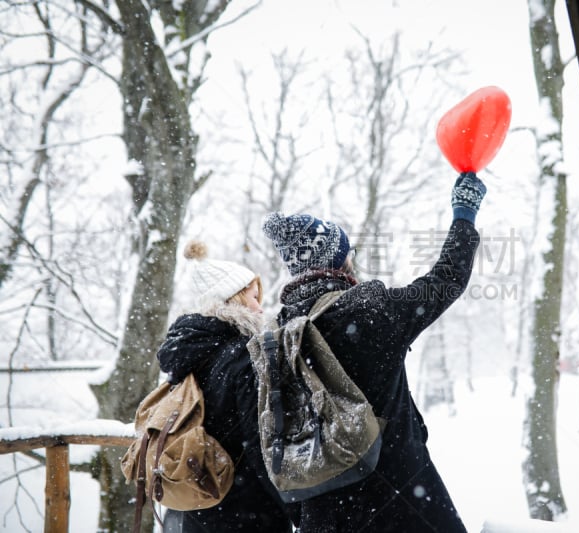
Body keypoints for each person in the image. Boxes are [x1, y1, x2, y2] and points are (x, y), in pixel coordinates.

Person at [261, 171, 486, 532]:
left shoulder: (281, 332)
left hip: (322, 504)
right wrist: (464, 215)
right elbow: (445, 280)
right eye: (347, 253)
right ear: (337, 261)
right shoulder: (369, 310)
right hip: (400, 494)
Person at [156, 240, 294, 532]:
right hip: (249, 509)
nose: (261, 306)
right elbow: (260, 440)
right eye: (255, 296)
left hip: (199, 502)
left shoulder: (188, 353)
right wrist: (291, 503)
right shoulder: (244, 354)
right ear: (234, 299)